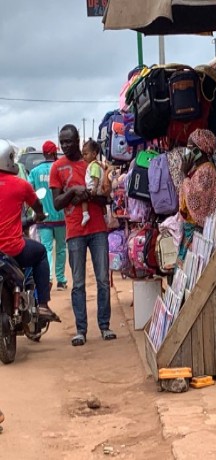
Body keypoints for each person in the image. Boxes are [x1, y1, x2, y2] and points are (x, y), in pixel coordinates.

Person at [50, 124, 116, 346]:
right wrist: (73, 192)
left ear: (78, 140)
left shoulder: (94, 163)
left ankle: (104, 326)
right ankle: (81, 330)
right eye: (62, 142)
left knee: (102, 281)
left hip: (97, 228)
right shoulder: (57, 168)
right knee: (78, 283)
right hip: (75, 231)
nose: (65, 145)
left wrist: (87, 194)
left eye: (69, 141)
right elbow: (57, 203)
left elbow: (106, 197)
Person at [0, 139, 60, 322]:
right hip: (12, 249)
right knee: (41, 252)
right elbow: (37, 206)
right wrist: (39, 215)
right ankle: (42, 304)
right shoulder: (20, 185)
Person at [28, 140, 68, 291]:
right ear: (53, 153)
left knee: (46, 248)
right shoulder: (59, 169)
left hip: (42, 217)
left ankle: (48, 278)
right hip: (60, 216)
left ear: (44, 153)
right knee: (61, 248)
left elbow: (29, 192)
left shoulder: (35, 172)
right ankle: (61, 280)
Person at [178, 129, 216, 262]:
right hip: (190, 232)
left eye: (190, 148)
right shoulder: (199, 169)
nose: (187, 151)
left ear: (199, 150)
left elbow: (196, 202)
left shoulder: (206, 171)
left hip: (197, 233)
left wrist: (184, 175)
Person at [80, 140, 105, 227]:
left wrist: (94, 187)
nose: (84, 157)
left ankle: (85, 214)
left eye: (86, 154)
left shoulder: (93, 165)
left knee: (83, 197)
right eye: (83, 154)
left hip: (93, 188)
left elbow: (96, 177)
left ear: (94, 154)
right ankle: (105, 216)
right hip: (99, 190)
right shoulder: (98, 164)